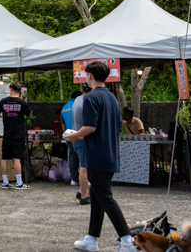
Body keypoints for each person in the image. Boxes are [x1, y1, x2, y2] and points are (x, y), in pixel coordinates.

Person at [66, 62, 135, 252]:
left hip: (96, 155)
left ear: (89, 76)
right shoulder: (113, 99)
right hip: (111, 154)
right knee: (97, 197)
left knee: (105, 197)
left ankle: (127, 239)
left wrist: (73, 135)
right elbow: (118, 128)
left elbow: (90, 127)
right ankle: (92, 238)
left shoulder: (90, 98)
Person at [0, 82, 31, 190]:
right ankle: (19, 183)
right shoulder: (22, 102)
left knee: (5, 158)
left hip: (7, 134)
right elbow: (29, 114)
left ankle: (5, 182)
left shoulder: (3, 101)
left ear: (11, 89)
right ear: (20, 91)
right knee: (17, 158)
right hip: (18, 134)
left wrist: (6, 115)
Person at [72, 83, 92, 205]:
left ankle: (81, 191)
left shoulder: (78, 99)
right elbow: (88, 124)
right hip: (83, 138)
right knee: (84, 167)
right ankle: (84, 196)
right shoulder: (87, 101)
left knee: (83, 165)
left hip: (76, 135)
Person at [63, 90, 81, 187]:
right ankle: (86, 179)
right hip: (78, 135)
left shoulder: (64, 108)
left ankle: (74, 179)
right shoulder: (78, 105)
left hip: (68, 136)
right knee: (83, 158)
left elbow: (63, 124)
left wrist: (65, 137)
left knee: (72, 158)